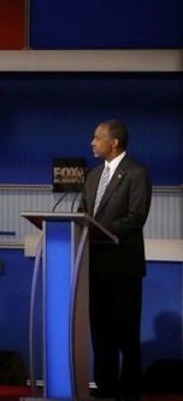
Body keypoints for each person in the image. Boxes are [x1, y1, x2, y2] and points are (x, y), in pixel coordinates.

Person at [78, 119, 151, 401]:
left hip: (123, 267)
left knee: (126, 331)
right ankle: (105, 386)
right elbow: (84, 211)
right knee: (100, 330)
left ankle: (129, 389)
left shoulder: (137, 173)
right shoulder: (93, 174)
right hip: (94, 266)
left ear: (114, 142)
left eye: (97, 138)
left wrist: (102, 230)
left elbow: (136, 217)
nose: (92, 142)